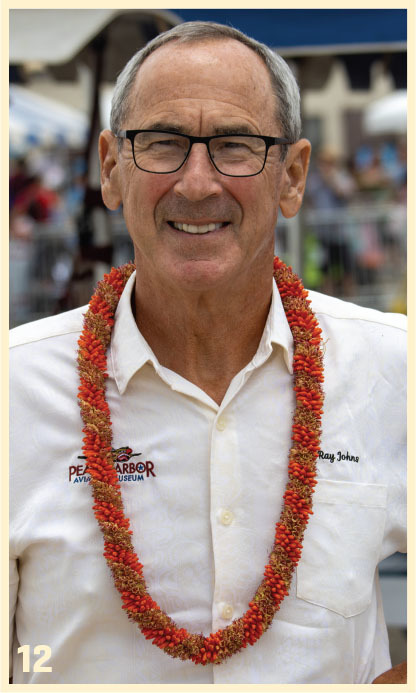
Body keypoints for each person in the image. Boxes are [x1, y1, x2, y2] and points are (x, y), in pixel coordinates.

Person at [9, 21, 406, 684]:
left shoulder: (393, 368)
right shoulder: (13, 390)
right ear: (111, 168)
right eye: (162, 144)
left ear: (293, 175)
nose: (197, 183)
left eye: (234, 145)